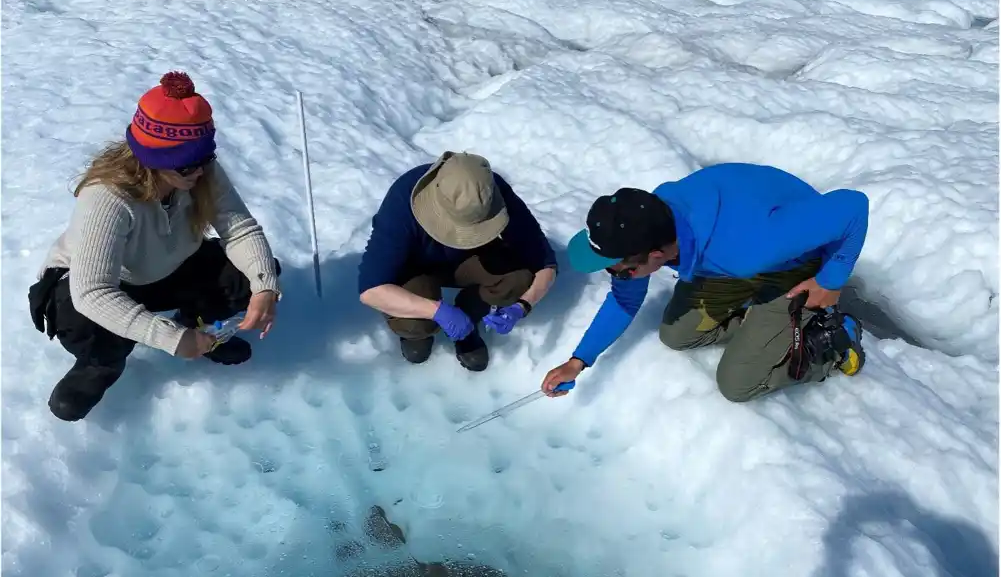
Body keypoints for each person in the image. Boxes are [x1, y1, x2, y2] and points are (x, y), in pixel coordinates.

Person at [29, 72, 282, 422]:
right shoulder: (108, 196)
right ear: (153, 158)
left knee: (248, 275)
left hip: (167, 266)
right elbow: (91, 291)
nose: (198, 171)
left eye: (205, 158)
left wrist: (264, 286)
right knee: (85, 321)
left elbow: (239, 229)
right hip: (94, 283)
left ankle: (204, 328)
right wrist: (171, 339)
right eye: (186, 163)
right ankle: (100, 365)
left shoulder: (202, 171)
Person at [541, 163, 868, 402]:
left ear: (656, 256)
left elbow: (853, 207)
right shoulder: (648, 222)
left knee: (738, 384)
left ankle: (830, 343)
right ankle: (764, 325)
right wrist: (578, 360)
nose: (615, 277)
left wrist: (831, 280)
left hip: (795, 262)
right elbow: (625, 300)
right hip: (735, 260)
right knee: (676, 334)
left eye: (618, 270)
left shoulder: (750, 245)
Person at [359, 151, 557, 371]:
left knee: (519, 279)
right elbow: (371, 290)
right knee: (413, 322)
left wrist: (522, 305)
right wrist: (437, 311)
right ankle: (418, 333)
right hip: (414, 269)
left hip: (467, 261)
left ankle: (469, 319)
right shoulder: (401, 203)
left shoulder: (489, 191)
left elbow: (544, 262)